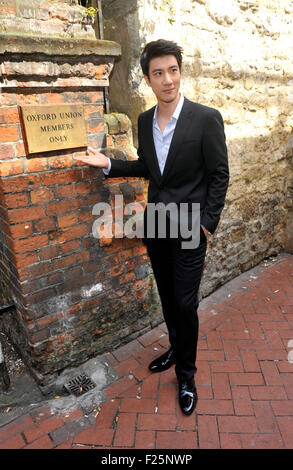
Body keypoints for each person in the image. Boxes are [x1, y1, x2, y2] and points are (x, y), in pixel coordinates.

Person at [74, 39, 229, 415]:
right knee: (166, 294)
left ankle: (187, 375)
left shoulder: (206, 119)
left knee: (185, 302)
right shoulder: (145, 121)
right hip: (157, 225)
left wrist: (207, 224)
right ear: (147, 78)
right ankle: (176, 348)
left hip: (192, 230)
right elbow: (148, 167)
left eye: (172, 70)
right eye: (158, 73)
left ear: (180, 71)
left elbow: (219, 174)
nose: (167, 79)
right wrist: (109, 164)